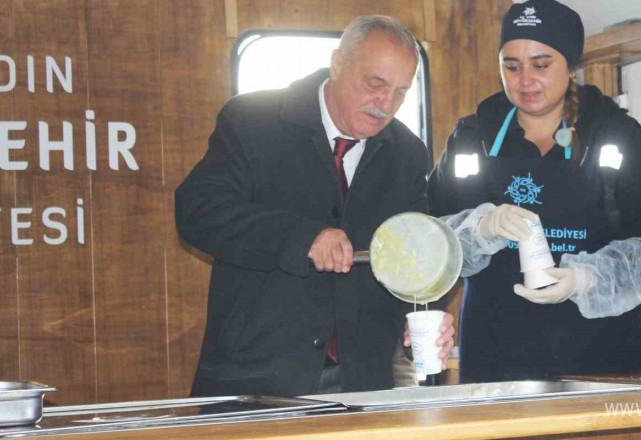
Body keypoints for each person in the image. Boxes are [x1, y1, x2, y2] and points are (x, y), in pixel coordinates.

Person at [176, 15, 454, 397]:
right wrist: (301, 237)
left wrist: (423, 320)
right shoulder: (252, 121)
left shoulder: (407, 154)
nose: (386, 105)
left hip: (361, 381)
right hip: (258, 376)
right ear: (337, 64)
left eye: (401, 93)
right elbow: (197, 211)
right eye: (375, 85)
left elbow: (417, 254)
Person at [430, 0, 641, 383]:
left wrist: (587, 279)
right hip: (497, 366)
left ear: (570, 67)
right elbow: (434, 242)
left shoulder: (612, 136)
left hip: (606, 365)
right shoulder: (472, 140)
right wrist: (479, 229)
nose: (524, 81)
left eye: (541, 64)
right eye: (512, 66)